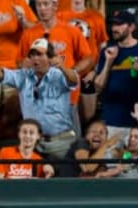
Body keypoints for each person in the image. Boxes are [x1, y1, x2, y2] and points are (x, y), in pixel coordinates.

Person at [0, 38, 78, 159]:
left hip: (60, 141)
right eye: (32, 55)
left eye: (39, 54)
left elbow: (73, 80)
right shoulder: (24, 76)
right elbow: (0, 75)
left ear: (50, 58)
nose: (35, 59)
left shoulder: (59, 75)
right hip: (33, 143)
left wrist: (63, 67)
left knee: (60, 174)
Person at [19, 0, 93, 138]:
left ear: (55, 6)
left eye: (46, 4)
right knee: (38, 143)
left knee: (70, 143)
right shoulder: (28, 34)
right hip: (38, 99)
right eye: (39, 5)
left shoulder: (71, 31)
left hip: (65, 96)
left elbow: (88, 58)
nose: (42, 8)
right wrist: (24, 64)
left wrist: (71, 71)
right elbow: (20, 61)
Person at [94, 10, 138, 142]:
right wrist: (109, 62)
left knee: (136, 162)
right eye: (113, 25)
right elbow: (98, 87)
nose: (114, 28)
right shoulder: (107, 51)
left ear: (132, 27)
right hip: (113, 120)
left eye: (119, 25)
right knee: (112, 161)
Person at [57, 0, 108, 124]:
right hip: (66, 72)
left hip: (88, 73)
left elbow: (102, 46)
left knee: (88, 117)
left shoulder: (96, 17)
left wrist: (95, 71)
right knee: (66, 115)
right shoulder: (59, 16)